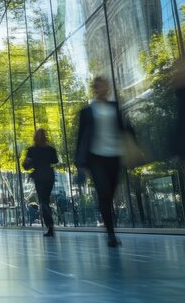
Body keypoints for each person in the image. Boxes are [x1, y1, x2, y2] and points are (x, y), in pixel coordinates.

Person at [75, 76, 129, 248]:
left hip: (114, 155)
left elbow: (126, 130)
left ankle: (110, 227)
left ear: (108, 89)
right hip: (95, 157)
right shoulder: (87, 111)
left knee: (110, 193)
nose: (101, 89)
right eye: (98, 87)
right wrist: (79, 162)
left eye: (104, 86)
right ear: (94, 89)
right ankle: (111, 233)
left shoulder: (115, 108)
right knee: (104, 193)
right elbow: (81, 138)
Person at [22, 128, 59, 237]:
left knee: (43, 201)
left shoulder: (32, 150)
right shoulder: (51, 149)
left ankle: (50, 225)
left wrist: (31, 163)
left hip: (39, 177)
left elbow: (26, 166)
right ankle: (50, 225)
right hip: (49, 176)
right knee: (45, 199)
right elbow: (55, 161)